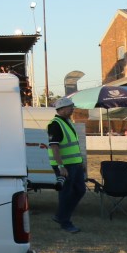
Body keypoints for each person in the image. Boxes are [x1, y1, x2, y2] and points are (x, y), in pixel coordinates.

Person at [49, 98, 86, 233]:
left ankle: (61, 216)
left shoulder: (67, 122)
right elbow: (54, 147)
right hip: (65, 166)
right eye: (70, 107)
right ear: (62, 109)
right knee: (66, 192)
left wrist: (80, 162)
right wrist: (61, 166)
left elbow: (73, 146)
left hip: (74, 164)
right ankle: (65, 222)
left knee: (80, 190)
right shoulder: (55, 124)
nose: (72, 109)